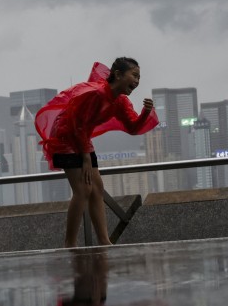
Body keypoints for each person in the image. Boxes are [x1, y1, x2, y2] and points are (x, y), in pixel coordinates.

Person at [35, 58, 158, 248]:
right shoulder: (97, 94)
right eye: (134, 75)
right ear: (117, 74)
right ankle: (70, 244)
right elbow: (77, 124)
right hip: (65, 136)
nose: (137, 81)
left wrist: (145, 113)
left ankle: (104, 240)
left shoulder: (120, 102)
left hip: (82, 139)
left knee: (97, 189)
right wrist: (85, 157)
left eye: (139, 77)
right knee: (83, 189)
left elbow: (132, 127)